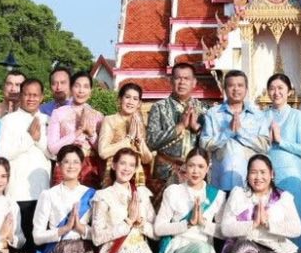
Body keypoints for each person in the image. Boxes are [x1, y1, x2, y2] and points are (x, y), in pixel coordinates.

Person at [90, 149, 168, 253]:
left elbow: (154, 233)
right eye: (123, 163)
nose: (126, 168)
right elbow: (97, 237)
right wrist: (127, 222)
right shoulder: (103, 196)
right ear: (114, 165)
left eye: (131, 165)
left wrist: (140, 224)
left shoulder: (141, 194)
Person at [220, 154, 301, 253]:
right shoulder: (239, 195)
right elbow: (226, 228)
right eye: (253, 172)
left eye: (263, 172)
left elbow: (296, 229)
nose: (258, 177)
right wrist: (253, 224)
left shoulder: (283, 198)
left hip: (276, 250)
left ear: (272, 174)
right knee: (243, 248)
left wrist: (268, 224)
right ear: (248, 175)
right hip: (249, 247)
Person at [154, 148, 229, 253]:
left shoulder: (217, 196)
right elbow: (158, 228)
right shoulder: (173, 191)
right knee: (200, 248)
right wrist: (187, 224)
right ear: (185, 167)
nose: (195, 171)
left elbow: (224, 233)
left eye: (201, 167)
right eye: (191, 166)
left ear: (208, 169)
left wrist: (203, 223)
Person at [33, 145, 96, 253]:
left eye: (76, 162)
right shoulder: (49, 195)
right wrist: (64, 229)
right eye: (66, 161)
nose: (71, 166)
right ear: (59, 165)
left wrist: (80, 228)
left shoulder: (91, 195)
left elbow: (97, 234)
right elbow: (37, 236)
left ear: (82, 165)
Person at [0, 77, 51, 253]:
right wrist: (28, 139)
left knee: (38, 245)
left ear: (42, 97)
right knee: (18, 244)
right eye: (27, 94)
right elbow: (2, 153)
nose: (31, 98)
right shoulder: (9, 120)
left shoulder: (47, 120)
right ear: (20, 96)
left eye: (35, 95)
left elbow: (54, 153)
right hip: (17, 191)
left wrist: (38, 138)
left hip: (42, 191)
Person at [201, 70, 270, 192]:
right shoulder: (213, 114)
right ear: (224, 89)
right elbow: (204, 143)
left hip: (248, 184)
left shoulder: (258, 115)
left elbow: (265, 146)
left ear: (246, 89)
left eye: (240, 85)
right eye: (231, 85)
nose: (236, 89)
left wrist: (240, 132)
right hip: (220, 181)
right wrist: (227, 132)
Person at [146, 63, 208, 193]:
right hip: (166, 171)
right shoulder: (159, 107)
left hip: (196, 172)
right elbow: (150, 141)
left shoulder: (204, 109)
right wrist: (179, 127)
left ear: (194, 82)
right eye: (178, 78)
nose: (182, 82)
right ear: (171, 80)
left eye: (186, 78)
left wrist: (196, 128)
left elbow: (210, 144)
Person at [262, 74, 301, 237]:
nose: (276, 92)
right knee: (272, 217)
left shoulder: (297, 115)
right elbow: (258, 147)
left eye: (280, 88)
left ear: (289, 91)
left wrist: (280, 141)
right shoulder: (263, 116)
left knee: (295, 217)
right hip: (269, 173)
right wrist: (267, 141)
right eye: (272, 88)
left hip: (292, 174)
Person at [47, 72, 103, 188]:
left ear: (91, 92)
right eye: (77, 86)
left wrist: (91, 133)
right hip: (65, 166)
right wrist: (77, 132)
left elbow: (101, 150)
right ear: (71, 88)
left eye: (86, 87)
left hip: (90, 169)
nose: (81, 91)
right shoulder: (58, 113)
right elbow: (52, 148)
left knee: (87, 205)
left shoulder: (97, 116)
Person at [97, 82, 153, 187]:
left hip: (136, 174)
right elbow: (103, 152)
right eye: (127, 97)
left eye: (135, 99)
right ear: (120, 99)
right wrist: (128, 139)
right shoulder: (110, 120)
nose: (131, 102)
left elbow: (147, 159)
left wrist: (140, 141)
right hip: (114, 174)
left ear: (139, 104)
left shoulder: (139, 123)